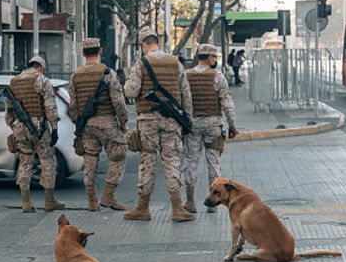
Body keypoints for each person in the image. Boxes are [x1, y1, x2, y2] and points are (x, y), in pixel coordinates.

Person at [123, 28, 195, 222]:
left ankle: (143, 208)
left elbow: (130, 91)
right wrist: (187, 119)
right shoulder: (175, 62)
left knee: (148, 162)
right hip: (172, 121)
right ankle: (178, 208)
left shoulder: (142, 63)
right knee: (172, 160)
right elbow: (185, 93)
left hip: (148, 121)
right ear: (157, 41)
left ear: (143, 44)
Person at [68, 38, 129, 212]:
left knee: (90, 160)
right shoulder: (108, 73)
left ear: (83, 54)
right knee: (118, 155)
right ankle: (108, 195)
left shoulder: (75, 76)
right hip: (107, 122)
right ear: (100, 52)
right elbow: (118, 102)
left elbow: (72, 106)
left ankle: (92, 201)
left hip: (86, 125)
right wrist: (123, 122)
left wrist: (78, 123)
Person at [181, 44, 238, 213]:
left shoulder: (186, 75)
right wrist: (232, 125)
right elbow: (227, 103)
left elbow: (181, 100)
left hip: (192, 125)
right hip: (213, 125)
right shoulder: (217, 76)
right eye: (215, 57)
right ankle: (213, 203)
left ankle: (190, 202)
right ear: (210, 58)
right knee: (214, 163)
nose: (215, 60)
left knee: (191, 162)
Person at [5, 56, 65, 213]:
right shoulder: (42, 80)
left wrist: (13, 127)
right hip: (38, 127)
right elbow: (50, 107)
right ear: (42, 68)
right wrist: (55, 129)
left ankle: (26, 202)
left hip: (19, 127)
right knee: (47, 161)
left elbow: (9, 111)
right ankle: (49, 200)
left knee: (25, 162)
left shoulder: (14, 82)